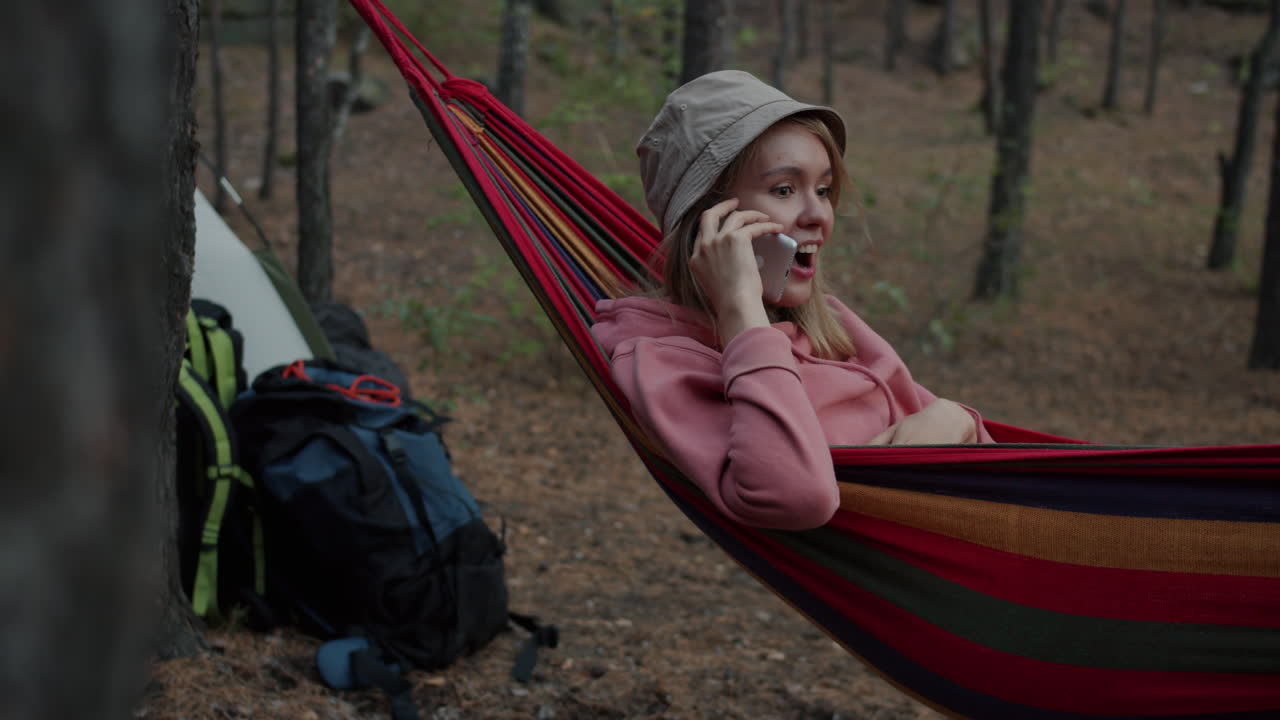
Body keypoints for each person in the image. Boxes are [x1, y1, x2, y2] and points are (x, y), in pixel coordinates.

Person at [590, 71, 992, 531]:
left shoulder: (832, 325)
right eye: (784, 189)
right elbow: (798, 497)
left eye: (823, 190)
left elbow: (988, 458)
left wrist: (952, 418)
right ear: (712, 223)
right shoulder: (663, 361)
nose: (818, 214)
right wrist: (742, 312)